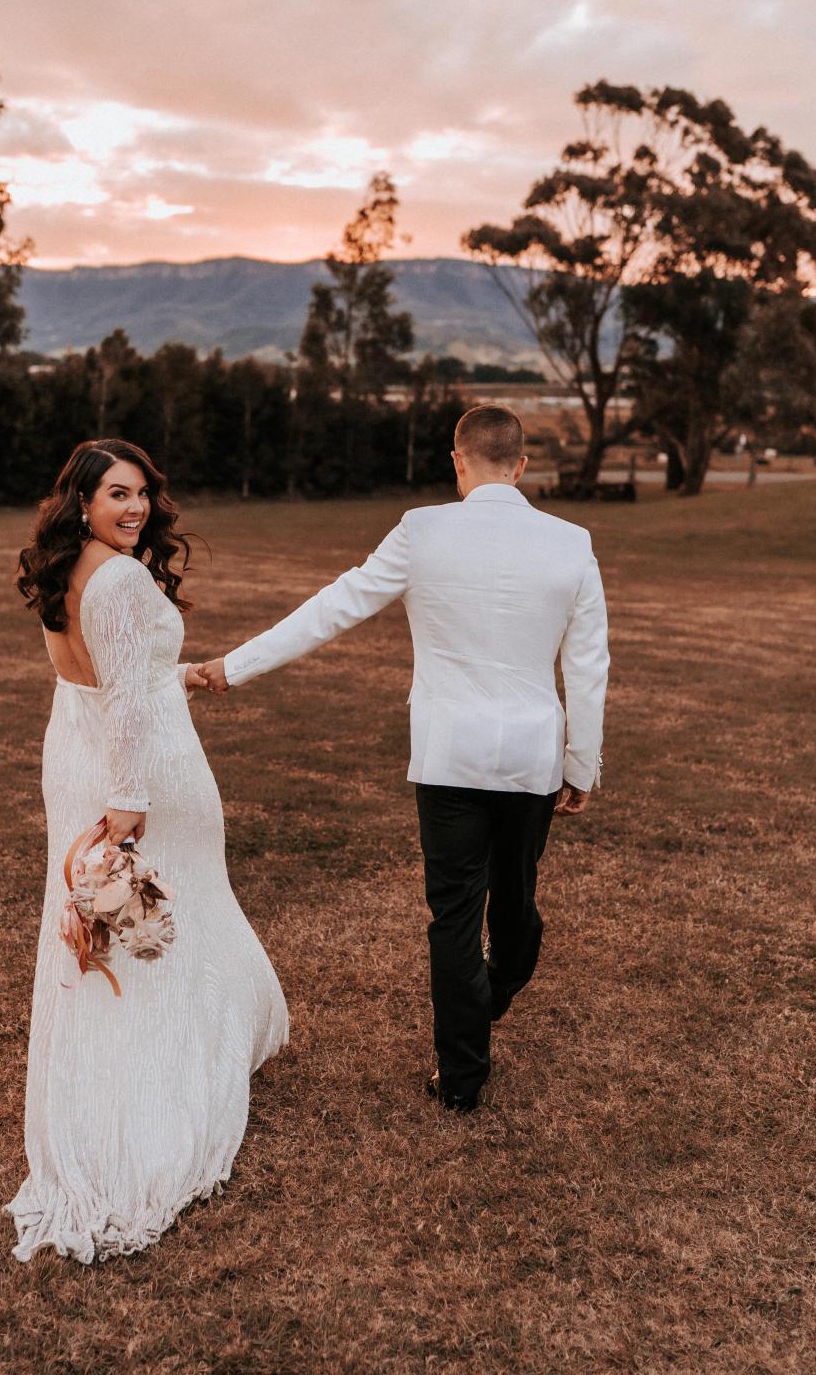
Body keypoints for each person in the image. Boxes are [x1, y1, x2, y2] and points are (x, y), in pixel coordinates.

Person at [199, 405, 608, 1114]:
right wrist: (582, 763)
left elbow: (334, 607)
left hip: (449, 757)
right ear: (521, 465)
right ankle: (470, 1055)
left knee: (460, 916)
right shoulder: (571, 543)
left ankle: (471, 1047)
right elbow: (590, 665)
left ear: (458, 459)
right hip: (530, 759)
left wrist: (236, 666)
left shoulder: (422, 531)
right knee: (506, 905)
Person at [4, 439, 288, 1263]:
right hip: (138, 772)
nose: (134, 509)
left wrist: (180, 670)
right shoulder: (124, 579)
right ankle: (157, 1101)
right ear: (81, 502)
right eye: (116, 495)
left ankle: (112, 1075)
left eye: (141, 495)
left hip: (78, 752)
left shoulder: (70, 567)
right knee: (161, 921)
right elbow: (125, 693)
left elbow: (107, 672)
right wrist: (130, 803)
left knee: (103, 930)